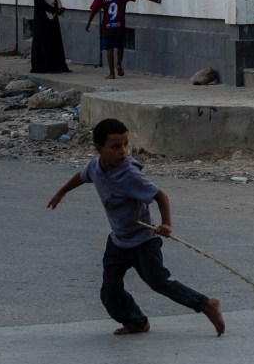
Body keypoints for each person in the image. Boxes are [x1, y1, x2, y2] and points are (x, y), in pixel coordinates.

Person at [47, 117, 224, 337]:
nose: (123, 151)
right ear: (99, 148)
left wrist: (166, 223)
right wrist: (62, 191)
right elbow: (82, 176)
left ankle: (206, 304)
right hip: (118, 241)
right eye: (116, 146)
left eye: (125, 145)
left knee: (159, 282)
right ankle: (137, 322)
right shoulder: (95, 167)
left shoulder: (130, 175)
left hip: (144, 241)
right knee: (110, 291)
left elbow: (160, 196)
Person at [85, 0, 161, 78]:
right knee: (120, 47)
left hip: (107, 27)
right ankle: (119, 64)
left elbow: (94, 10)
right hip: (119, 25)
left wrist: (89, 22)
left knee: (109, 48)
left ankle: (111, 73)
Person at [30, 0, 70, 75]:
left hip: (52, 19)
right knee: (44, 43)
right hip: (43, 21)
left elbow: (53, 1)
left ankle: (55, 66)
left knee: (54, 42)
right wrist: (54, 10)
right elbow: (40, 4)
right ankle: (44, 66)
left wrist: (58, 9)